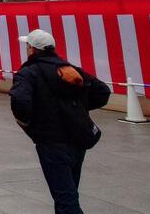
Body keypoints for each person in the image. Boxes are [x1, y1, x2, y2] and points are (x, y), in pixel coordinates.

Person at [10, 29, 110, 214]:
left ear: (32, 49)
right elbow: (103, 91)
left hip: (51, 142)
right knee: (68, 191)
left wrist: (29, 124)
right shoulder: (67, 69)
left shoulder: (28, 73)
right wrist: (78, 109)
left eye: (27, 46)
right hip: (77, 138)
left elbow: (20, 101)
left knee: (65, 198)